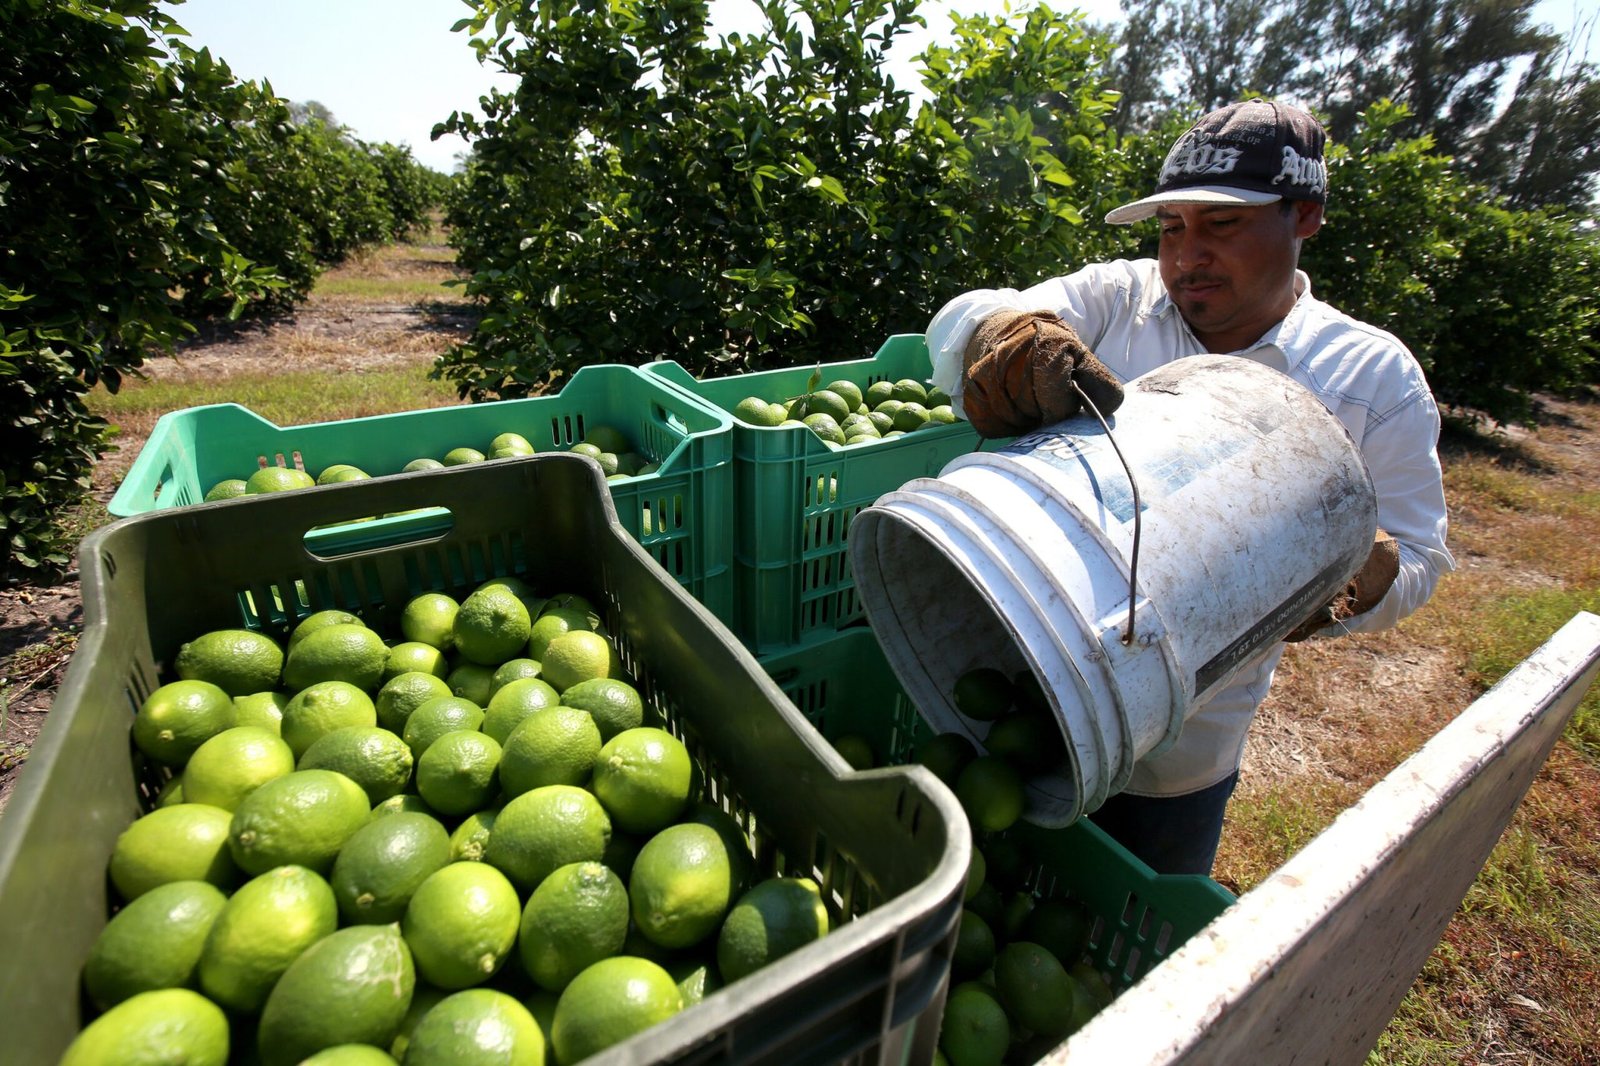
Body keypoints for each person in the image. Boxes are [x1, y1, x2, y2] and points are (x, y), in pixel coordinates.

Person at [924, 99, 1455, 876]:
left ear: (1304, 215)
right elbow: (972, 316)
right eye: (1172, 227)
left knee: (1135, 937)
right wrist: (1001, 339)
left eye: (1223, 225)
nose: (1186, 257)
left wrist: (1348, 579)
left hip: (1182, 747)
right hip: (1017, 676)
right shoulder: (1121, 302)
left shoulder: (1370, 378)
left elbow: (1421, 556)